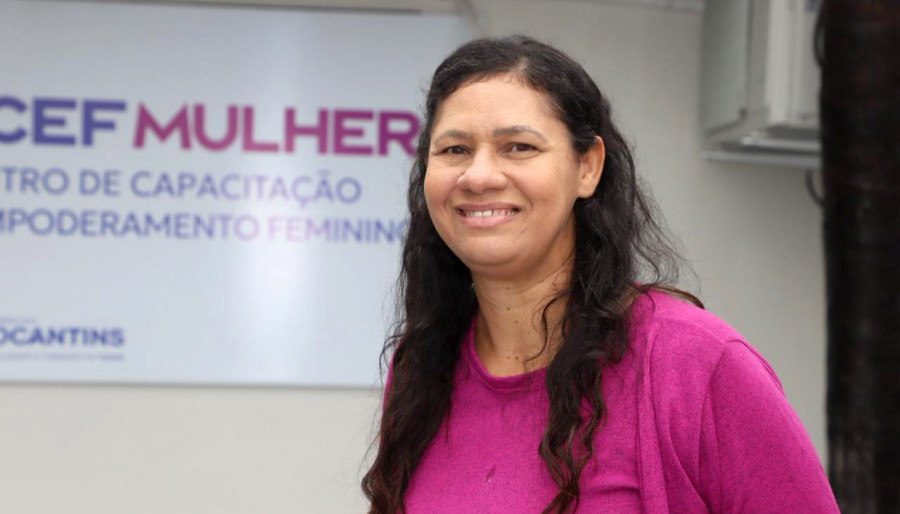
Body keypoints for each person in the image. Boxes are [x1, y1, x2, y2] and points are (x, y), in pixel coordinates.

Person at [362, 35, 838, 513]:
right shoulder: (423, 367)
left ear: (587, 167)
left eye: (519, 146)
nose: (479, 175)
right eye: (454, 150)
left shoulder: (697, 365)